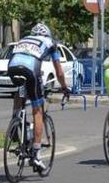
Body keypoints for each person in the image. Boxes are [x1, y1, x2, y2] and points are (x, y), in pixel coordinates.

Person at [6, 23, 71, 170]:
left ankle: (15, 120)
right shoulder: (50, 43)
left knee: (21, 92)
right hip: (30, 70)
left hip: (12, 68)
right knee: (38, 111)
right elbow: (59, 72)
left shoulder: (23, 39)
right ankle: (36, 154)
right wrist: (64, 87)